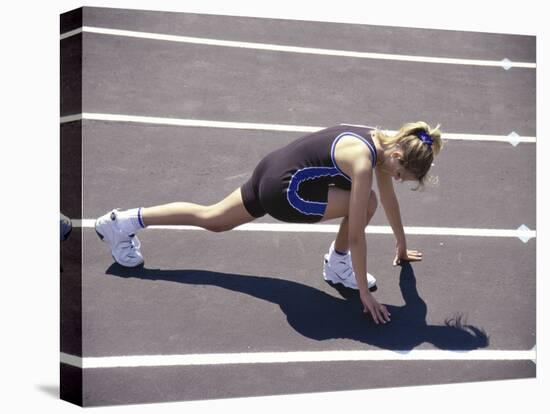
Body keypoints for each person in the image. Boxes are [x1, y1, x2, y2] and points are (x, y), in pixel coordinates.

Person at [95, 121, 442, 324]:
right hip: (286, 192)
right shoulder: (365, 165)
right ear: (397, 156)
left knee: (213, 218)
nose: (396, 179)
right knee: (364, 202)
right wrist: (364, 294)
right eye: (400, 173)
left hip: (272, 168)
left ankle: (124, 221)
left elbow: (391, 200)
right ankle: (338, 267)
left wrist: (399, 243)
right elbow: (358, 231)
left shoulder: (376, 140)